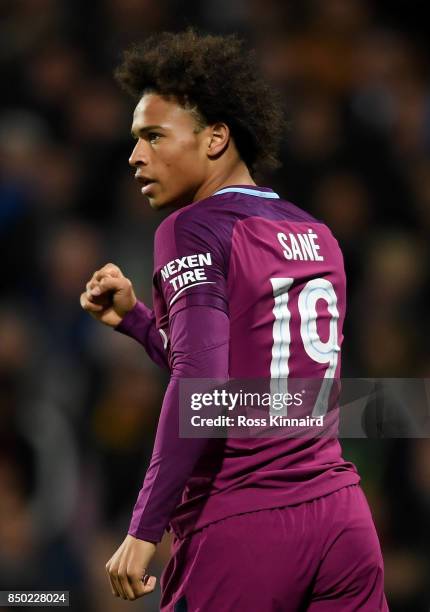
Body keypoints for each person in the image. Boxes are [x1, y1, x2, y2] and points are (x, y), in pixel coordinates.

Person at [80, 29, 388, 611]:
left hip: (245, 522)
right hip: (344, 521)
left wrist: (145, 529)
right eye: (133, 139)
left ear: (216, 138)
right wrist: (140, 323)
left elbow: (201, 385)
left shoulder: (191, 228)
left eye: (153, 136)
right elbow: (248, 381)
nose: (135, 156)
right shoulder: (317, 234)